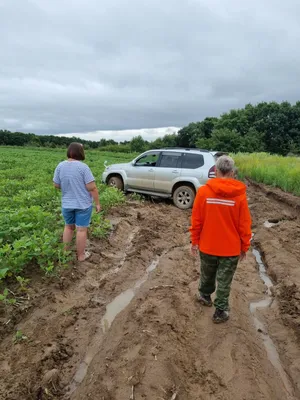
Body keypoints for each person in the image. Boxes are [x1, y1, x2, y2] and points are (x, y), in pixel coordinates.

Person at [190, 155, 251, 323]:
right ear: (232, 172)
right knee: (224, 280)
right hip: (230, 249)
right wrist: (244, 246)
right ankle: (220, 311)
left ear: (216, 171)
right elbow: (244, 224)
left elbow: (196, 220)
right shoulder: (239, 196)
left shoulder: (203, 192)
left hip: (207, 245)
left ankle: (205, 296)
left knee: (207, 273)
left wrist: (194, 241)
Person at [53, 142, 101, 262]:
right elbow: (92, 187)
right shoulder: (83, 167)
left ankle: (65, 254)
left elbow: (56, 185)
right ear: (80, 152)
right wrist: (98, 203)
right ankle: (81, 256)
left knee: (68, 227)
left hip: (67, 204)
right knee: (81, 230)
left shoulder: (60, 166)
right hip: (82, 205)